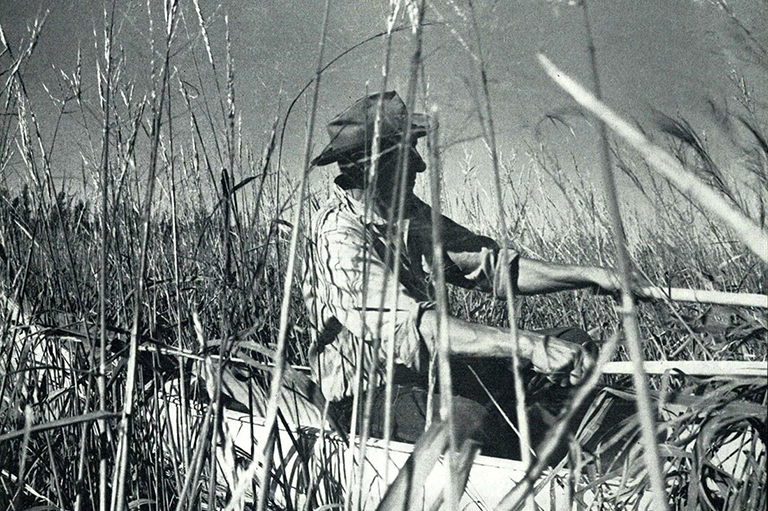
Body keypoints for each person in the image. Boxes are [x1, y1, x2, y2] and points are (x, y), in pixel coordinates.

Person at [302, 91, 624, 456]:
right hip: (368, 393)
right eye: (409, 153)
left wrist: (594, 275)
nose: (420, 166)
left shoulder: (411, 215)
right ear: (374, 164)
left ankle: (548, 451)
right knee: (464, 420)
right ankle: (512, 453)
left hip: (432, 373)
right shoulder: (337, 234)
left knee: (573, 343)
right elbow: (415, 329)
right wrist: (528, 345)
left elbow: (496, 267)